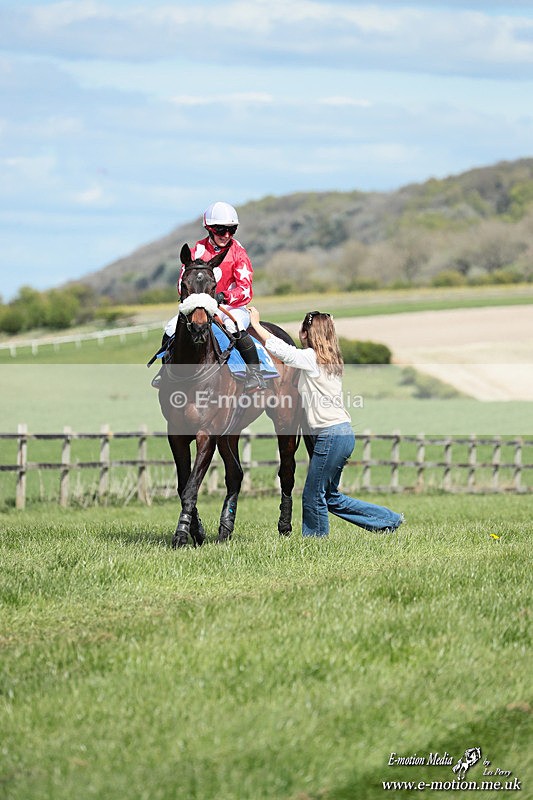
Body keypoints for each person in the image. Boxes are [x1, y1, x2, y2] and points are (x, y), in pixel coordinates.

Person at [248, 307, 404, 537]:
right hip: (341, 434)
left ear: (306, 333)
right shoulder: (332, 360)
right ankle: (388, 520)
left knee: (313, 496)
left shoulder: (311, 359)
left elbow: (283, 351)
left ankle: (316, 543)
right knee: (330, 497)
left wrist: (256, 325)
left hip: (331, 437)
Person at [152, 201, 266, 391]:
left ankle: (255, 373)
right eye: (221, 230)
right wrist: (200, 301)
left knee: (233, 325)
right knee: (171, 327)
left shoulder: (239, 252)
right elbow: (183, 282)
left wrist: (224, 296)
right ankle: (165, 372)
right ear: (210, 229)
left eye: (232, 230)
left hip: (230, 307)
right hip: (200, 306)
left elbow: (246, 290)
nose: (227, 235)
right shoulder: (197, 250)